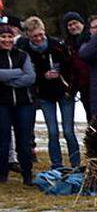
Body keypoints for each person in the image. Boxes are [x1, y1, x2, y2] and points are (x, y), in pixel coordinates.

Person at [19, 17, 78, 169]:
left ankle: (76, 163)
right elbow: (26, 72)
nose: (39, 39)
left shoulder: (56, 46)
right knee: (52, 132)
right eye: (35, 36)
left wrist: (67, 83)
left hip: (63, 92)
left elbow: (70, 67)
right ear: (28, 36)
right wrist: (41, 76)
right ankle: (57, 164)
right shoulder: (25, 50)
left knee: (68, 131)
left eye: (41, 35)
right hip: (44, 95)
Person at [0, 24, 36, 184]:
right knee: (3, 140)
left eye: (9, 37)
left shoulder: (22, 55)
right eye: (3, 37)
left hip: (24, 103)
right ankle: (2, 174)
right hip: (2, 103)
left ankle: (27, 174)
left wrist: (7, 81)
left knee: (24, 141)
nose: (7, 40)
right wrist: (17, 72)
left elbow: (30, 77)